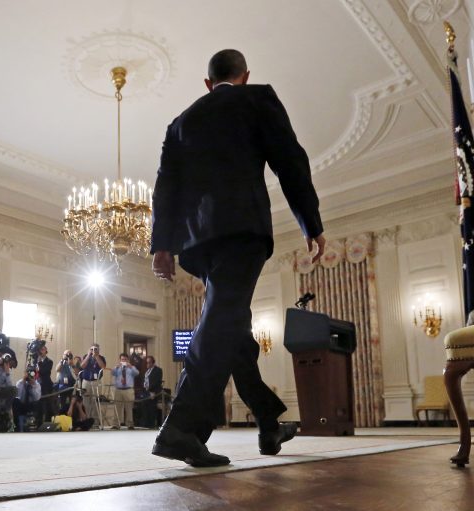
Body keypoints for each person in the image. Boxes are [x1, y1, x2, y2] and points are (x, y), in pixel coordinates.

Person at [150, 49, 325, 467]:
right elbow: (290, 161)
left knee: (233, 324)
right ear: (244, 75)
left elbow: (165, 188)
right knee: (223, 320)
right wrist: (311, 222)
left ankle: (267, 421)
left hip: (197, 243)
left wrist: (162, 245)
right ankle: (181, 429)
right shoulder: (257, 98)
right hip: (241, 229)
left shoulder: (180, 123)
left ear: (208, 84)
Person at [79, 343, 106, 424]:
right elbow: (82, 366)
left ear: (98, 350)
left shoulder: (101, 357)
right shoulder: (86, 356)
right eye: (92, 349)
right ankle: (86, 421)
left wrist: (97, 356)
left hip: (96, 381)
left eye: (95, 349)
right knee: (85, 402)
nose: (93, 351)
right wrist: (88, 355)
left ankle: (95, 422)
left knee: (95, 402)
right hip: (86, 381)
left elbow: (103, 367)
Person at [111, 353, 138, 429]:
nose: (124, 361)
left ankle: (130, 424)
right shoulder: (117, 368)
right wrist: (116, 367)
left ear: (128, 360)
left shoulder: (131, 368)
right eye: (122, 359)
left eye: (125, 359)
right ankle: (116, 424)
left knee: (129, 408)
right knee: (117, 408)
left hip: (128, 390)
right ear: (120, 360)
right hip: (118, 390)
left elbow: (137, 373)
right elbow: (112, 373)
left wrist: (131, 367)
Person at [142, 355, 163, 429]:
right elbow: (145, 380)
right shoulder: (147, 371)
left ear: (153, 363)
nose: (148, 364)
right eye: (147, 363)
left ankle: (152, 424)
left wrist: (152, 391)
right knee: (146, 408)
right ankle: (146, 424)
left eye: (149, 362)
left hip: (154, 392)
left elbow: (157, 382)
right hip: (146, 391)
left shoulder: (158, 370)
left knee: (152, 408)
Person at [35, 345, 54, 426]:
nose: (41, 351)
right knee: (38, 404)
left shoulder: (49, 361)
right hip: (37, 384)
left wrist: (39, 363)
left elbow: (44, 371)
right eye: (40, 350)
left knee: (47, 404)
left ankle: (47, 423)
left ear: (46, 351)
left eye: (43, 349)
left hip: (46, 385)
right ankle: (38, 423)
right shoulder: (35, 361)